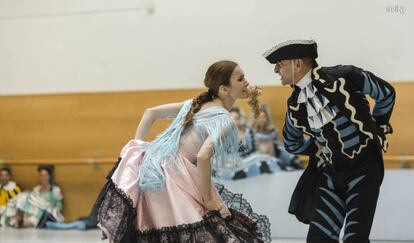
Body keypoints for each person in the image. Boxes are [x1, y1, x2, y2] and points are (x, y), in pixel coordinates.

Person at [90, 60, 271, 243]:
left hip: (151, 167)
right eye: (241, 79)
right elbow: (203, 156)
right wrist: (208, 199)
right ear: (224, 89)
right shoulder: (224, 119)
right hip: (173, 177)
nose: (246, 82)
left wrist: (139, 150)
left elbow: (149, 113)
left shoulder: (195, 105)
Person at [262, 39, 395, 243]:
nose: (276, 70)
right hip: (331, 175)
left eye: (279, 64)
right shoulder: (295, 106)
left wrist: (376, 128)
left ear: (297, 64)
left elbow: (386, 94)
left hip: (365, 168)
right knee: (318, 239)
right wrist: (321, 150)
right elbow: (291, 143)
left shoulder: (345, 76)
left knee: (355, 238)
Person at [229, 106, 282, 180]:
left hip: (249, 158)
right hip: (234, 163)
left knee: (265, 161)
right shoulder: (226, 135)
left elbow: (252, 149)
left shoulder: (248, 132)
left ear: (241, 119)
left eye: (236, 118)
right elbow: (228, 153)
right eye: (231, 119)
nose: (234, 121)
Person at [253, 105, 303, 170]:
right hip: (259, 157)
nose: (261, 119)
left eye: (263, 117)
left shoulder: (272, 131)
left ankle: (290, 164)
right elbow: (244, 146)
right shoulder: (252, 132)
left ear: (267, 118)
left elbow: (277, 145)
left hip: (274, 155)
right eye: (259, 117)